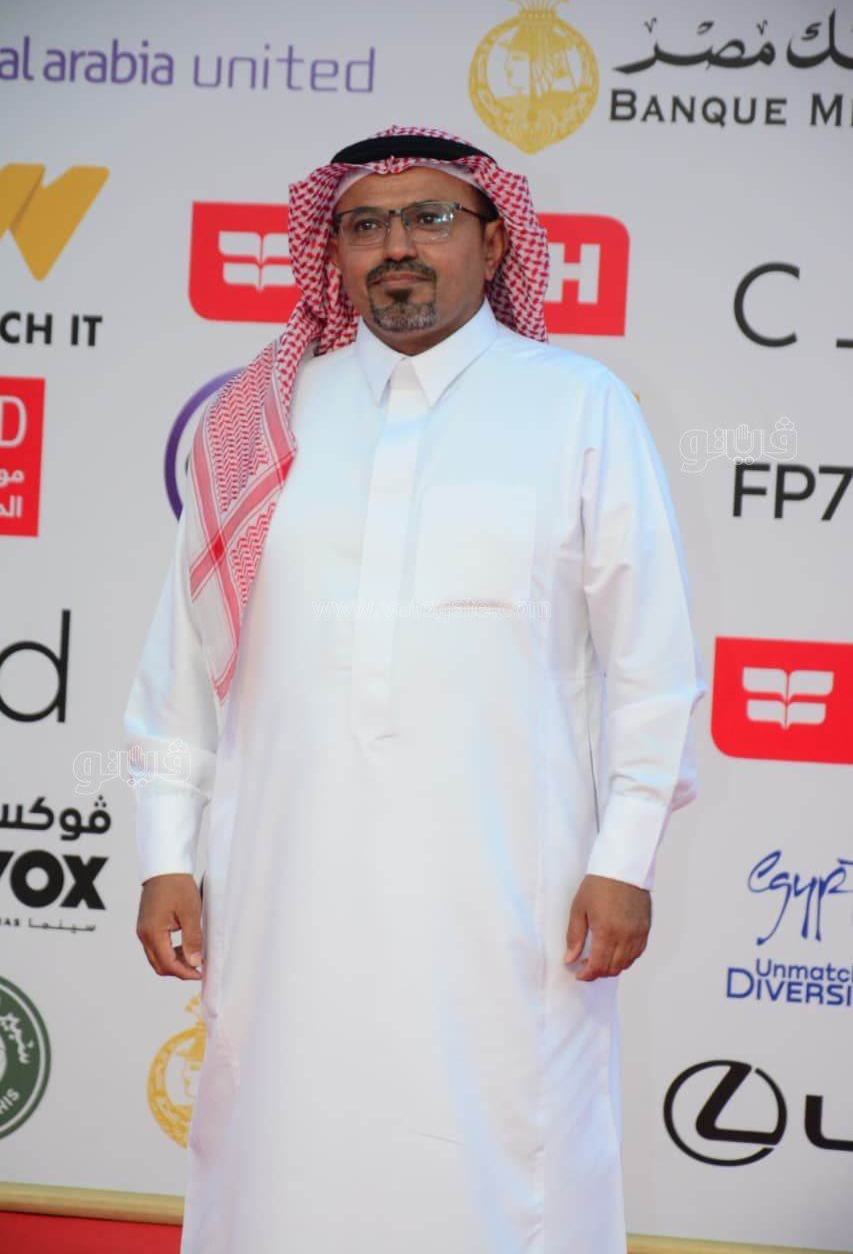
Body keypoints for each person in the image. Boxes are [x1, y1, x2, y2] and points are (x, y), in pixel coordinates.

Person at [127, 125, 704, 1254]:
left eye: (430, 218)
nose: (396, 246)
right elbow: (182, 660)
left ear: (495, 242)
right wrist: (162, 851)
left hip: (510, 894)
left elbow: (651, 664)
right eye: (364, 225)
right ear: (331, 250)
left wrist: (626, 857)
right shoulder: (258, 420)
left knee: (502, 1154)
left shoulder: (578, 405)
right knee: (282, 1150)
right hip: (283, 887)